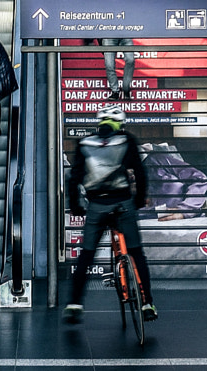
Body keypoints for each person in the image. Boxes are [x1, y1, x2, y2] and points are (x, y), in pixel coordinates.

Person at [64, 108, 156, 324]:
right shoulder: (126, 140)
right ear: (120, 124)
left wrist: (76, 205)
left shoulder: (85, 143)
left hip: (96, 205)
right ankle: (147, 303)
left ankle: (75, 304)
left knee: (86, 256)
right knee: (136, 254)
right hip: (123, 203)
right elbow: (140, 173)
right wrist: (140, 199)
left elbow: (74, 177)